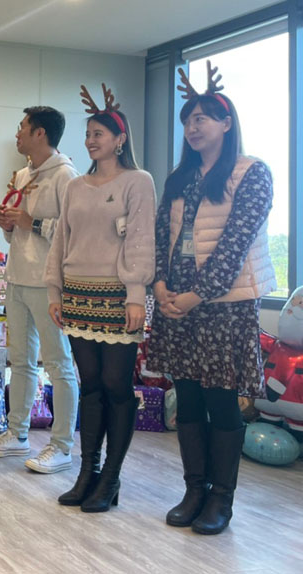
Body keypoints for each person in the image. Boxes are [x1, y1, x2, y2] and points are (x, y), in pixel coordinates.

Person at [146, 65, 274, 535]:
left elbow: (236, 243)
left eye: (201, 118)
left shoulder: (251, 172)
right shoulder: (180, 176)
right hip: (176, 301)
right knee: (188, 399)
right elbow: (160, 236)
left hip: (224, 305)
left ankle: (221, 498)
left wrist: (197, 295)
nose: (192, 126)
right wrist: (160, 286)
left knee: (221, 402)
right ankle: (193, 490)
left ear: (226, 123)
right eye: (187, 120)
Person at [45, 84, 155, 512]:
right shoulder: (77, 185)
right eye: (88, 134)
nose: (91, 141)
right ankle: (87, 471)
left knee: (115, 385)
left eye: (99, 134)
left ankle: (111, 476)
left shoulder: (138, 182)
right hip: (77, 295)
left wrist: (136, 294)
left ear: (120, 139)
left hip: (118, 297)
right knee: (90, 385)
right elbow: (61, 239)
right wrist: (55, 289)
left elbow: (141, 241)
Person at [0, 106, 79, 473]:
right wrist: (7, 224)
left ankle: (62, 445)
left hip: (48, 283)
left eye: (22, 127)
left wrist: (30, 222)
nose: (17, 134)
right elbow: (17, 231)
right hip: (17, 276)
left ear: (40, 133)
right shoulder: (23, 174)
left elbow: (72, 232)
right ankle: (17, 433)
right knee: (19, 360)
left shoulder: (66, 175)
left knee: (58, 363)